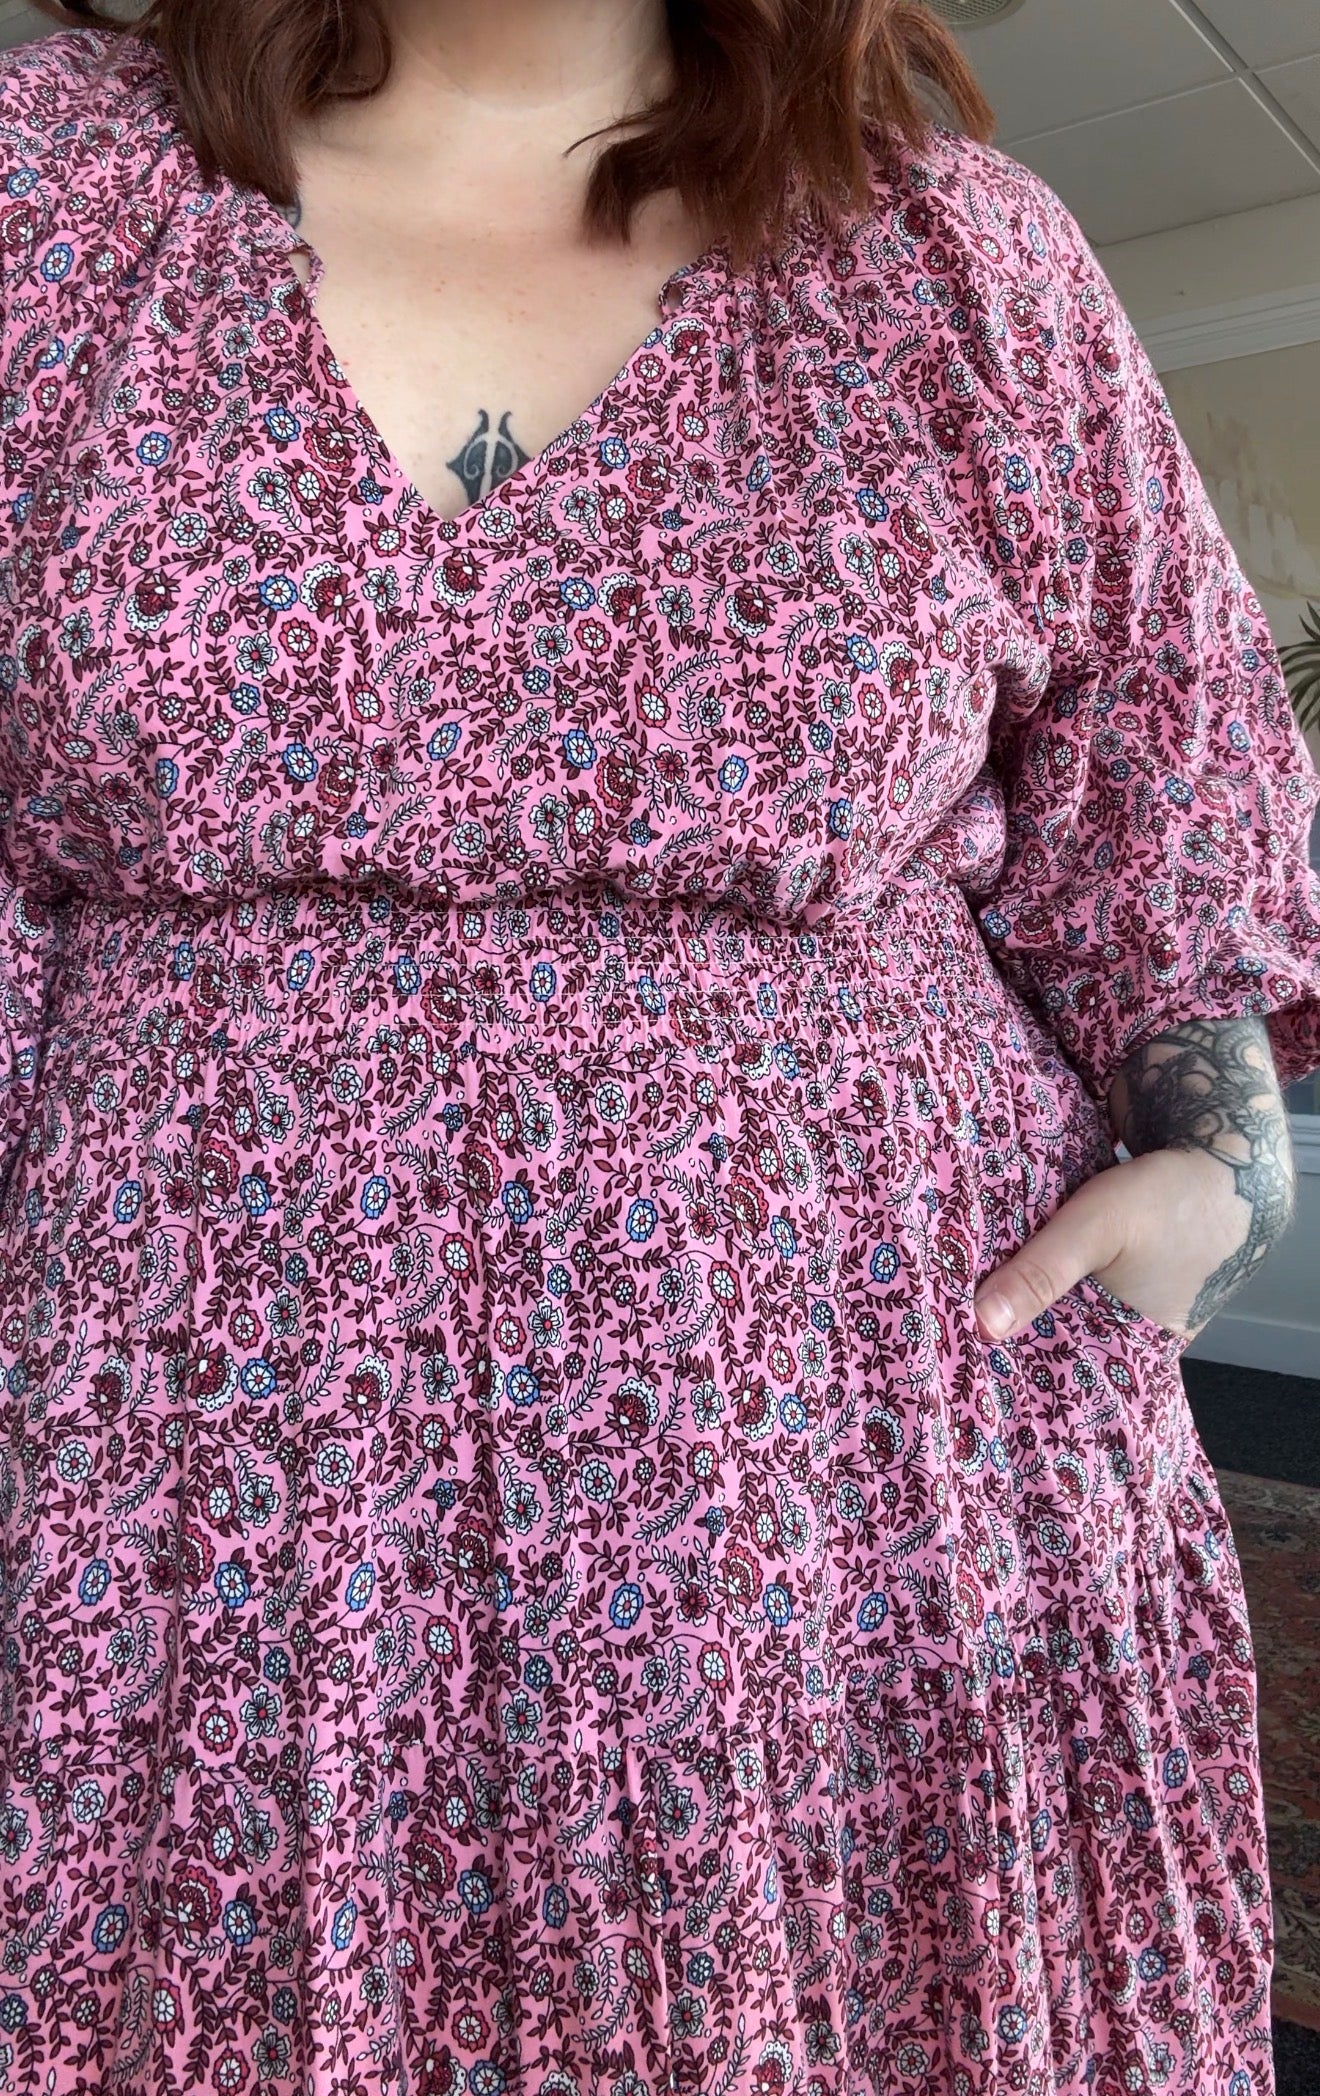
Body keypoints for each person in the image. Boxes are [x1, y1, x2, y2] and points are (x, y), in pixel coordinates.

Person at [0, 0, 1316, 2090]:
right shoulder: (46, 190)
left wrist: (1226, 1172)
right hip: (183, 1529)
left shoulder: (955, 256)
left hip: (879, 1513)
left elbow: (1169, 788)